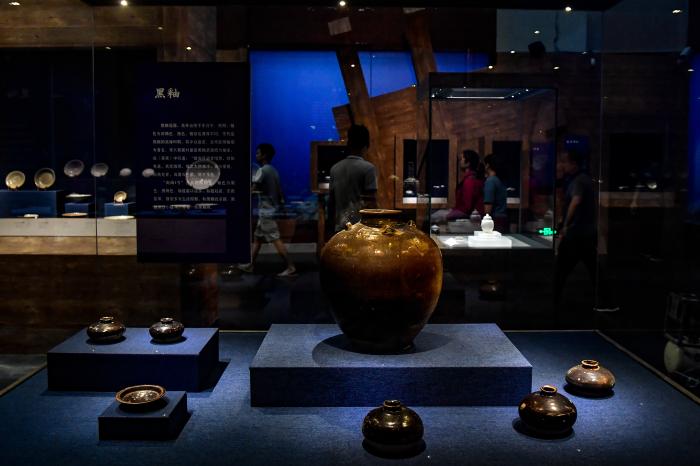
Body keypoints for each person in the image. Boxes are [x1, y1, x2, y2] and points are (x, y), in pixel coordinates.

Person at [554, 149, 615, 311]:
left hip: (576, 234)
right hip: (584, 234)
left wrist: (565, 225)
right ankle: (608, 302)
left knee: (562, 269)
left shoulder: (579, 181)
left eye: (565, 162)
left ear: (574, 163)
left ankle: (554, 303)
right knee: (593, 269)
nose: (562, 165)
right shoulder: (580, 179)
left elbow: (575, 202)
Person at [238, 143, 296, 277]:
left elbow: (252, 190)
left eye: (258, 153)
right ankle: (250, 265)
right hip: (270, 210)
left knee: (275, 239)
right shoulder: (274, 170)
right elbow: (280, 192)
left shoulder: (262, 171)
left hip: (266, 212)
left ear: (264, 155)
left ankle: (290, 266)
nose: (256, 155)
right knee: (257, 238)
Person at [328, 124, 378, 232]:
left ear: (348, 144)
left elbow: (331, 203)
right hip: (361, 230)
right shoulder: (368, 169)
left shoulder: (334, 169)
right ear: (366, 146)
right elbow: (371, 203)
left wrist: (330, 230)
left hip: (340, 229)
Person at [447, 150, 485, 220]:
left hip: (468, 215)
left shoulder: (469, 181)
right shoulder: (470, 178)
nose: (460, 161)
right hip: (465, 212)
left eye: (462, 159)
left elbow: (467, 207)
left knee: (435, 216)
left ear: (468, 162)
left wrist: (450, 214)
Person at [483, 153, 509, 232]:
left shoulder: (490, 181)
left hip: (495, 220)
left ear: (487, 165)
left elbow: (488, 206)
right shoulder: (499, 180)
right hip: (503, 218)